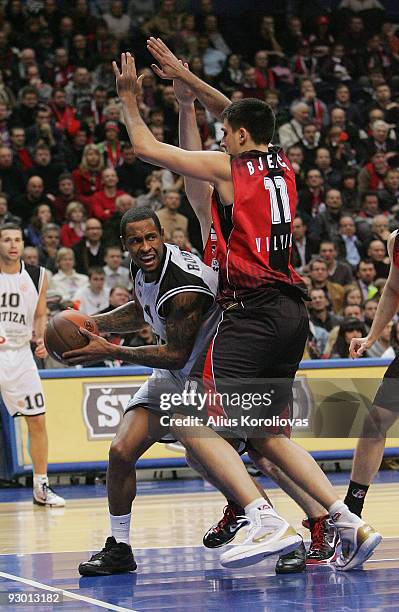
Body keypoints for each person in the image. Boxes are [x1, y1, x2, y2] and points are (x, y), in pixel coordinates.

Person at [96, 46, 381, 571]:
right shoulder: (281, 165)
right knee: (266, 438)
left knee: (190, 421)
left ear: (239, 140)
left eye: (225, 135)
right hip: (291, 314)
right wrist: (187, 91)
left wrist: (129, 99)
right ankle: (348, 523)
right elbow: (234, 122)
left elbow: (147, 146)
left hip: (249, 314)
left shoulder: (231, 174)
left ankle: (260, 516)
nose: (221, 139)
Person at [0, 223, 64, 507]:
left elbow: (40, 314)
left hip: (21, 355)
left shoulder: (38, 276)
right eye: (6, 240)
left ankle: (41, 486)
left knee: (37, 419)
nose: (13, 245)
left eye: (17, 240)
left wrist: (41, 338)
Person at [348, 229, 399, 518]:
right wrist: (371, 337)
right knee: (375, 423)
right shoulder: (396, 240)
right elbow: (393, 288)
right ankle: (352, 511)